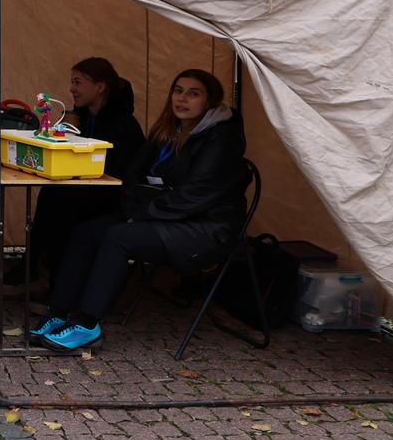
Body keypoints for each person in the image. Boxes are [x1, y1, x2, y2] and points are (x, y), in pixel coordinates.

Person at [33, 68, 246, 353]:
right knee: (85, 232)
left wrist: (141, 212)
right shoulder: (167, 129)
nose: (182, 99)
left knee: (118, 237)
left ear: (209, 101)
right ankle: (58, 313)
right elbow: (132, 177)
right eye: (178, 90)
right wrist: (136, 206)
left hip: (204, 229)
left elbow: (192, 198)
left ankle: (87, 325)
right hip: (161, 216)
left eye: (193, 93)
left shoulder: (221, 140)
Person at [10, 57, 145, 284]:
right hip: (84, 188)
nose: (72, 89)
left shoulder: (123, 125)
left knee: (64, 205)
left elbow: (117, 173)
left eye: (78, 82)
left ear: (100, 87)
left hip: (113, 197)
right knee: (52, 194)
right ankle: (32, 266)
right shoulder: (80, 118)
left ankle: (56, 282)